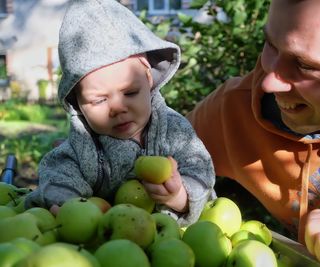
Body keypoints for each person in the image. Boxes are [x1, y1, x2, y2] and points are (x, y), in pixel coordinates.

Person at [187, 0, 320, 265]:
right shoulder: (235, 110)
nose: (269, 81)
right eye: (270, 45)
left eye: (304, 65)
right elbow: (158, 156)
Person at [24, 0, 215, 226]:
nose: (117, 108)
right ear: (77, 102)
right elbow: (59, 175)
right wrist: (66, 205)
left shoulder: (173, 130)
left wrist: (181, 197)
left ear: (149, 78)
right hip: (108, 243)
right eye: (99, 100)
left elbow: (200, 168)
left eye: (130, 92)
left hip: (174, 235)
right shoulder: (84, 145)